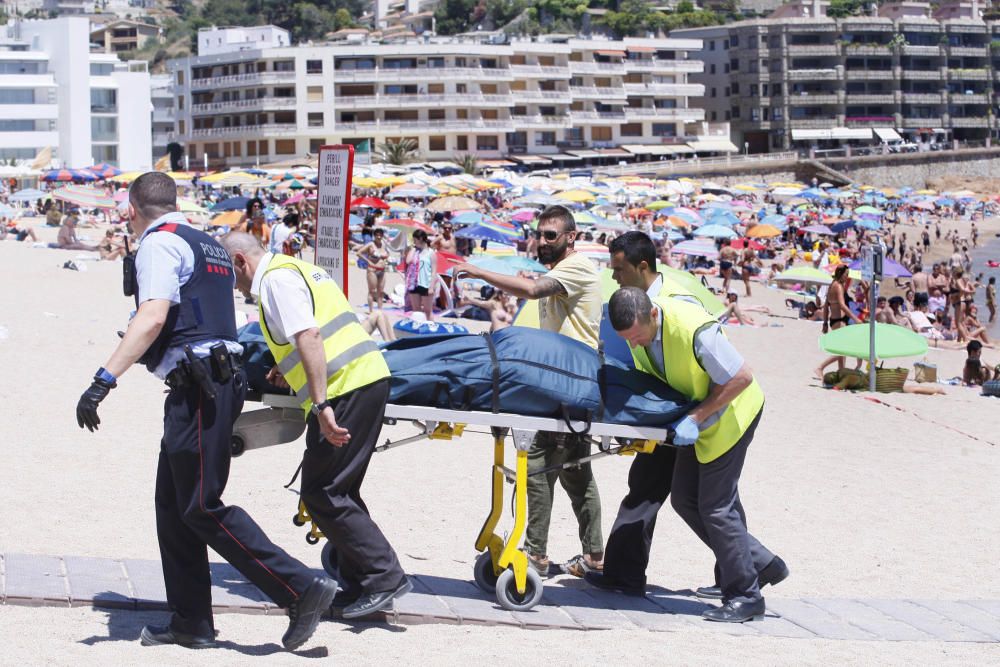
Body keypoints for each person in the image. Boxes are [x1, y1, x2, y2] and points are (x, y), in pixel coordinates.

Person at [74, 173, 335, 651]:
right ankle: (191, 622)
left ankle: (299, 588)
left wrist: (102, 380)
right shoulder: (208, 243)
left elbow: (153, 315)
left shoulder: (160, 243)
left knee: (199, 504)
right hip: (212, 381)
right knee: (174, 507)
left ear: (132, 209)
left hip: (201, 387)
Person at [220, 231, 410, 619]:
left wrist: (322, 405)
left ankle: (384, 577)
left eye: (230, 273)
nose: (232, 284)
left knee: (322, 491)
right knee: (339, 489)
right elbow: (313, 331)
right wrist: (286, 365)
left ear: (241, 261)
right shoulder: (296, 269)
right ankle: (363, 583)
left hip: (347, 387)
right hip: (361, 379)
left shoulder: (275, 280)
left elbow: (310, 334)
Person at [608, 287, 784, 623]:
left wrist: (695, 418)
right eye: (626, 339)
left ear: (653, 316)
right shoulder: (641, 330)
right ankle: (760, 562)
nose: (634, 344)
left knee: (717, 507)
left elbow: (741, 377)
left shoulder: (693, 329)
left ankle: (746, 595)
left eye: (637, 337)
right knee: (685, 500)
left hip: (734, 416)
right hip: (700, 419)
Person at [454, 204, 604, 578]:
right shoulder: (564, 269)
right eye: (539, 234)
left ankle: (536, 555)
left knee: (537, 465)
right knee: (575, 472)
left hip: (568, 381)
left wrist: (475, 270)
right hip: (566, 379)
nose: (541, 241)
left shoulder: (578, 266)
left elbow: (534, 290)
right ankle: (595, 556)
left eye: (550, 235)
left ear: (572, 238)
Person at [815, 265, 863, 379]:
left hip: (834, 321)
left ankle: (841, 372)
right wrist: (855, 319)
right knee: (844, 350)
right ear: (841, 274)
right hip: (839, 320)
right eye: (846, 274)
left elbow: (826, 306)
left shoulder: (832, 284)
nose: (847, 277)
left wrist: (825, 323)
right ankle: (820, 367)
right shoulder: (839, 287)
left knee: (842, 349)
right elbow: (842, 305)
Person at [404, 229, 435, 321]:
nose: (414, 242)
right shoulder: (414, 251)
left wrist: (431, 287)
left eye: (415, 240)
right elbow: (408, 261)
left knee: (427, 310)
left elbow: (434, 271)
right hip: (414, 283)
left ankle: (431, 329)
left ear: (421, 238)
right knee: (416, 310)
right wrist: (414, 248)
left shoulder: (431, 253)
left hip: (426, 283)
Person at [356, 227, 390, 312]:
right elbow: (358, 253)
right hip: (372, 270)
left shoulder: (384, 244)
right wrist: (368, 261)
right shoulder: (371, 244)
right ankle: (371, 311)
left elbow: (387, 254)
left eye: (380, 235)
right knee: (372, 291)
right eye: (377, 235)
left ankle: (380, 311)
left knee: (381, 292)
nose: (379, 237)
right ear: (374, 236)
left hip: (382, 270)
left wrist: (386, 260)